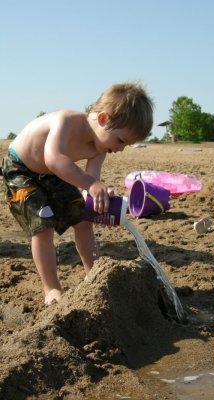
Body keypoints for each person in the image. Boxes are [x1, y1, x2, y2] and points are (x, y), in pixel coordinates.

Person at [1, 82, 153, 305]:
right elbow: (53, 158)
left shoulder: (100, 148)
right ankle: (51, 287)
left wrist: (98, 197)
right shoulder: (67, 121)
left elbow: (88, 186)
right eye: (121, 140)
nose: (120, 148)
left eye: (127, 145)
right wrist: (92, 184)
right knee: (43, 226)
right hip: (21, 169)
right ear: (103, 119)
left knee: (83, 220)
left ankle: (94, 274)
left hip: (54, 174)